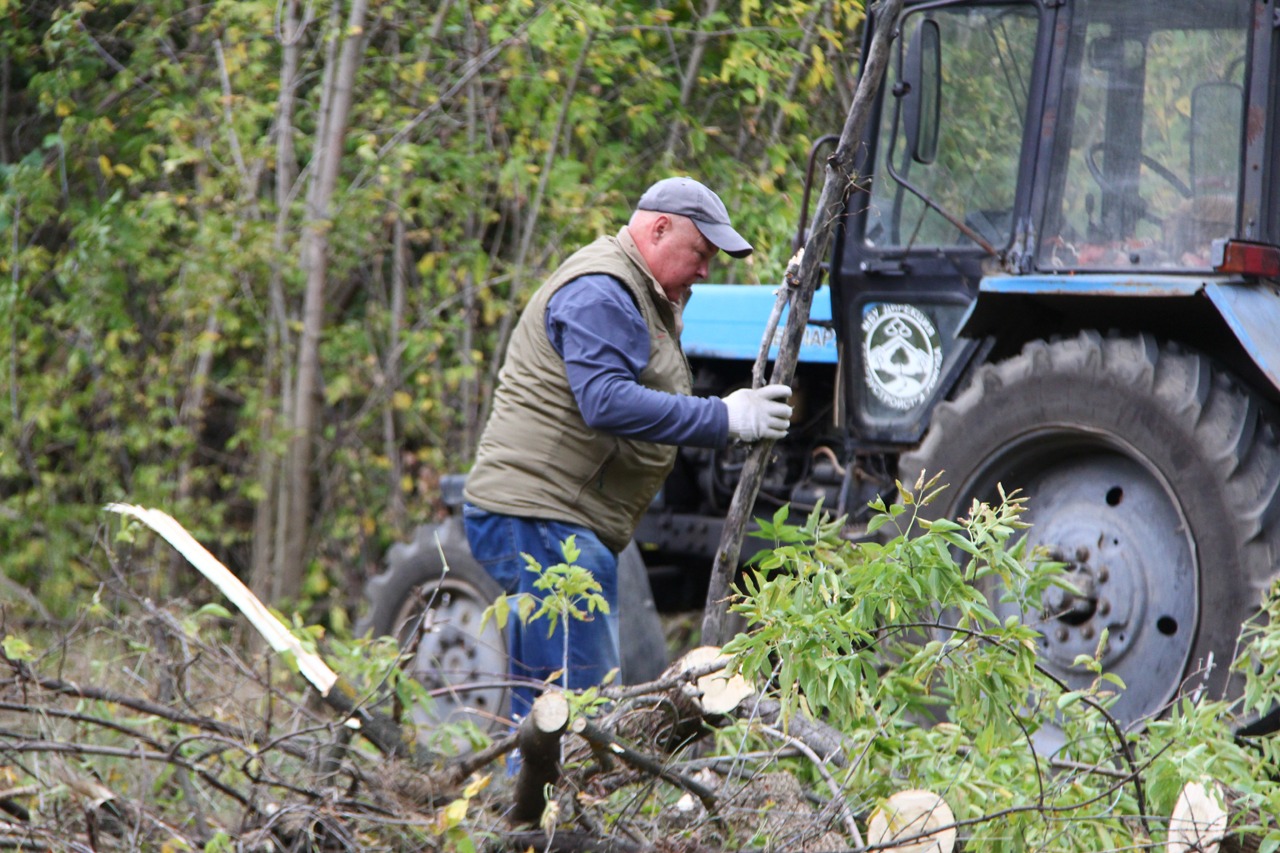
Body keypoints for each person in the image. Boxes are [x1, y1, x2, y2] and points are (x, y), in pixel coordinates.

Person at [463, 176, 793, 720]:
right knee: (581, 706)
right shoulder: (602, 290)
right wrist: (725, 416)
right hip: (545, 516)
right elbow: (605, 402)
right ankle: (569, 798)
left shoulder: (637, 293)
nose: (706, 270)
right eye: (701, 253)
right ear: (659, 228)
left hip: (550, 515)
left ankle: (525, 800)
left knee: (545, 703)